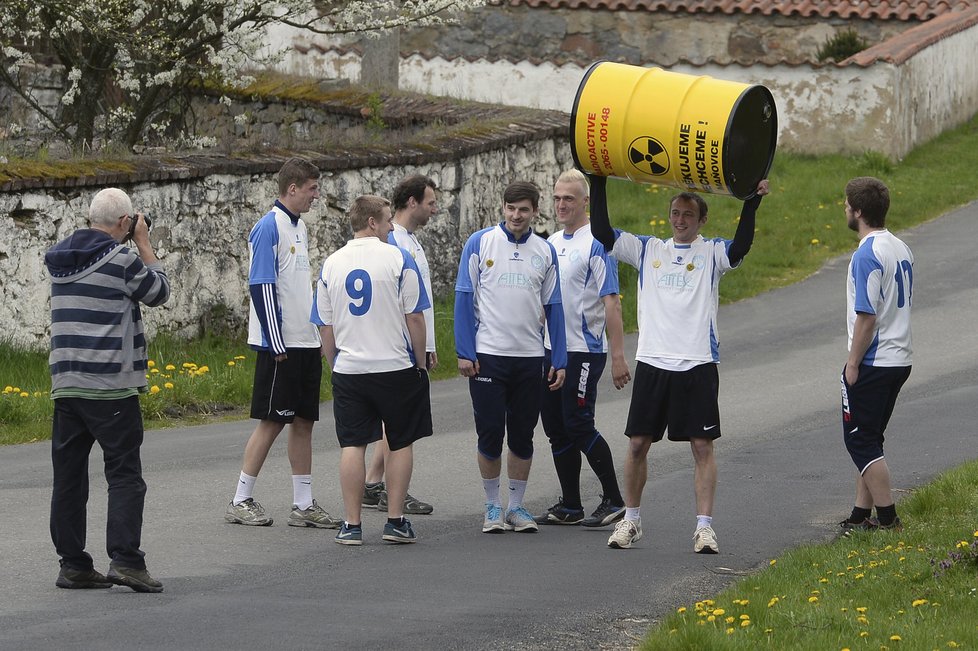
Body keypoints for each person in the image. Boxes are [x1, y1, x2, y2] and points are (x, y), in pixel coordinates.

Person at [590, 174, 769, 553]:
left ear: (701, 220)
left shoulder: (712, 253)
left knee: (702, 447)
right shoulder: (648, 249)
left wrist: (751, 202)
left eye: (688, 214)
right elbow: (603, 232)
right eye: (675, 213)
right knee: (638, 444)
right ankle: (631, 520)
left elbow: (741, 246)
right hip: (654, 361)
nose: (680, 220)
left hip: (697, 361)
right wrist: (598, 180)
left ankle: (704, 528)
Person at [46, 187, 170, 592]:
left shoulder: (58, 258)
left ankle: (74, 565)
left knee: (69, 479)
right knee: (124, 475)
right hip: (111, 387)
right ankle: (126, 561)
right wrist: (144, 241)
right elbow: (159, 292)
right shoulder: (121, 259)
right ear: (123, 222)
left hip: (66, 385)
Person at [224, 158, 340, 529]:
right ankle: (241, 499)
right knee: (272, 421)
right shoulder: (267, 227)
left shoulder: (299, 227)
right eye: (311, 189)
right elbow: (261, 285)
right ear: (292, 188)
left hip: (303, 342)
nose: (315, 196)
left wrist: (316, 336)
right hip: (280, 345)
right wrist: (276, 342)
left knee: (303, 421)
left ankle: (303, 504)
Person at [312, 195, 433, 545]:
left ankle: (351, 524)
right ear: (372, 223)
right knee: (399, 441)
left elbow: (325, 325)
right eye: (386, 221)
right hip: (394, 365)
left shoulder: (331, 263)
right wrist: (420, 360)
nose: (391, 227)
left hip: (350, 368)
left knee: (352, 444)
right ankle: (395, 520)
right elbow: (414, 315)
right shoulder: (399, 258)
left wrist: (336, 363)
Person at [454, 181, 567, 534]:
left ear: (535, 211)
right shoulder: (480, 242)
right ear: (503, 208)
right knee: (490, 435)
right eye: (510, 208)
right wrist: (464, 351)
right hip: (488, 356)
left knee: (522, 436)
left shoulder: (544, 251)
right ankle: (492, 507)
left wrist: (559, 358)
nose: (516, 215)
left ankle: (517, 508)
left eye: (523, 209)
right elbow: (462, 298)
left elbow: (555, 308)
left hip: (530, 358)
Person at [535, 170, 631, 528]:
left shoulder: (597, 242)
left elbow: (612, 302)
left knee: (578, 423)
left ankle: (614, 500)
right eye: (557, 198)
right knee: (556, 427)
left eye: (569, 198)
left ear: (585, 202)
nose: (561, 204)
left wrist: (618, 356)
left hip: (584, 351)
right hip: (551, 349)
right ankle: (570, 504)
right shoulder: (552, 243)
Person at [837, 177, 913, 535]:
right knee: (872, 439)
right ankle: (859, 514)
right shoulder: (900, 247)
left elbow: (866, 315)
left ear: (859, 211)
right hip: (899, 359)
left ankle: (888, 521)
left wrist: (852, 364)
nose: (844, 209)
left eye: (847, 204)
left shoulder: (865, 254)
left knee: (860, 440)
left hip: (874, 361)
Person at [362, 174, 438, 516]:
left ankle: (374, 481)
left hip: (413, 342)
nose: (434, 209)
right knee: (400, 421)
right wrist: (416, 348)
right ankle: (391, 488)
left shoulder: (411, 241)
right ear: (413, 202)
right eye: (430, 202)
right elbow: (405, 305)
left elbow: (423, 302)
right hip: (401, 344)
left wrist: (431, 342)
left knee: (395, 421)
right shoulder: (396, 243)